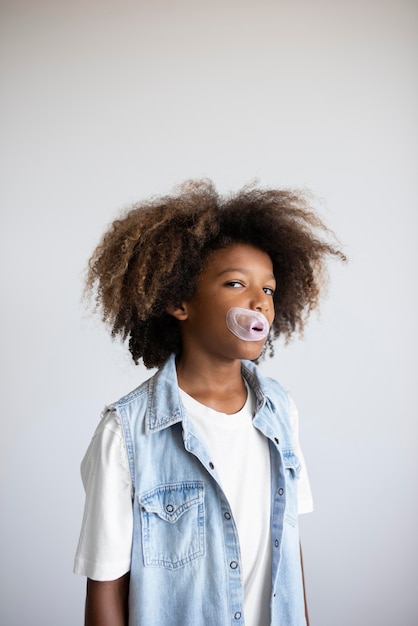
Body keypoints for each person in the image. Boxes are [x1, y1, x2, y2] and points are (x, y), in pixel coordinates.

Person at [74, 180, 344, 626]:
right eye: (236, 283)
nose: (260, 302)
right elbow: (105, 589)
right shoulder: (126, 433)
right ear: (179, 300)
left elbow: (288, 549)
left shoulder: (280, 410)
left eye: (270, 289)